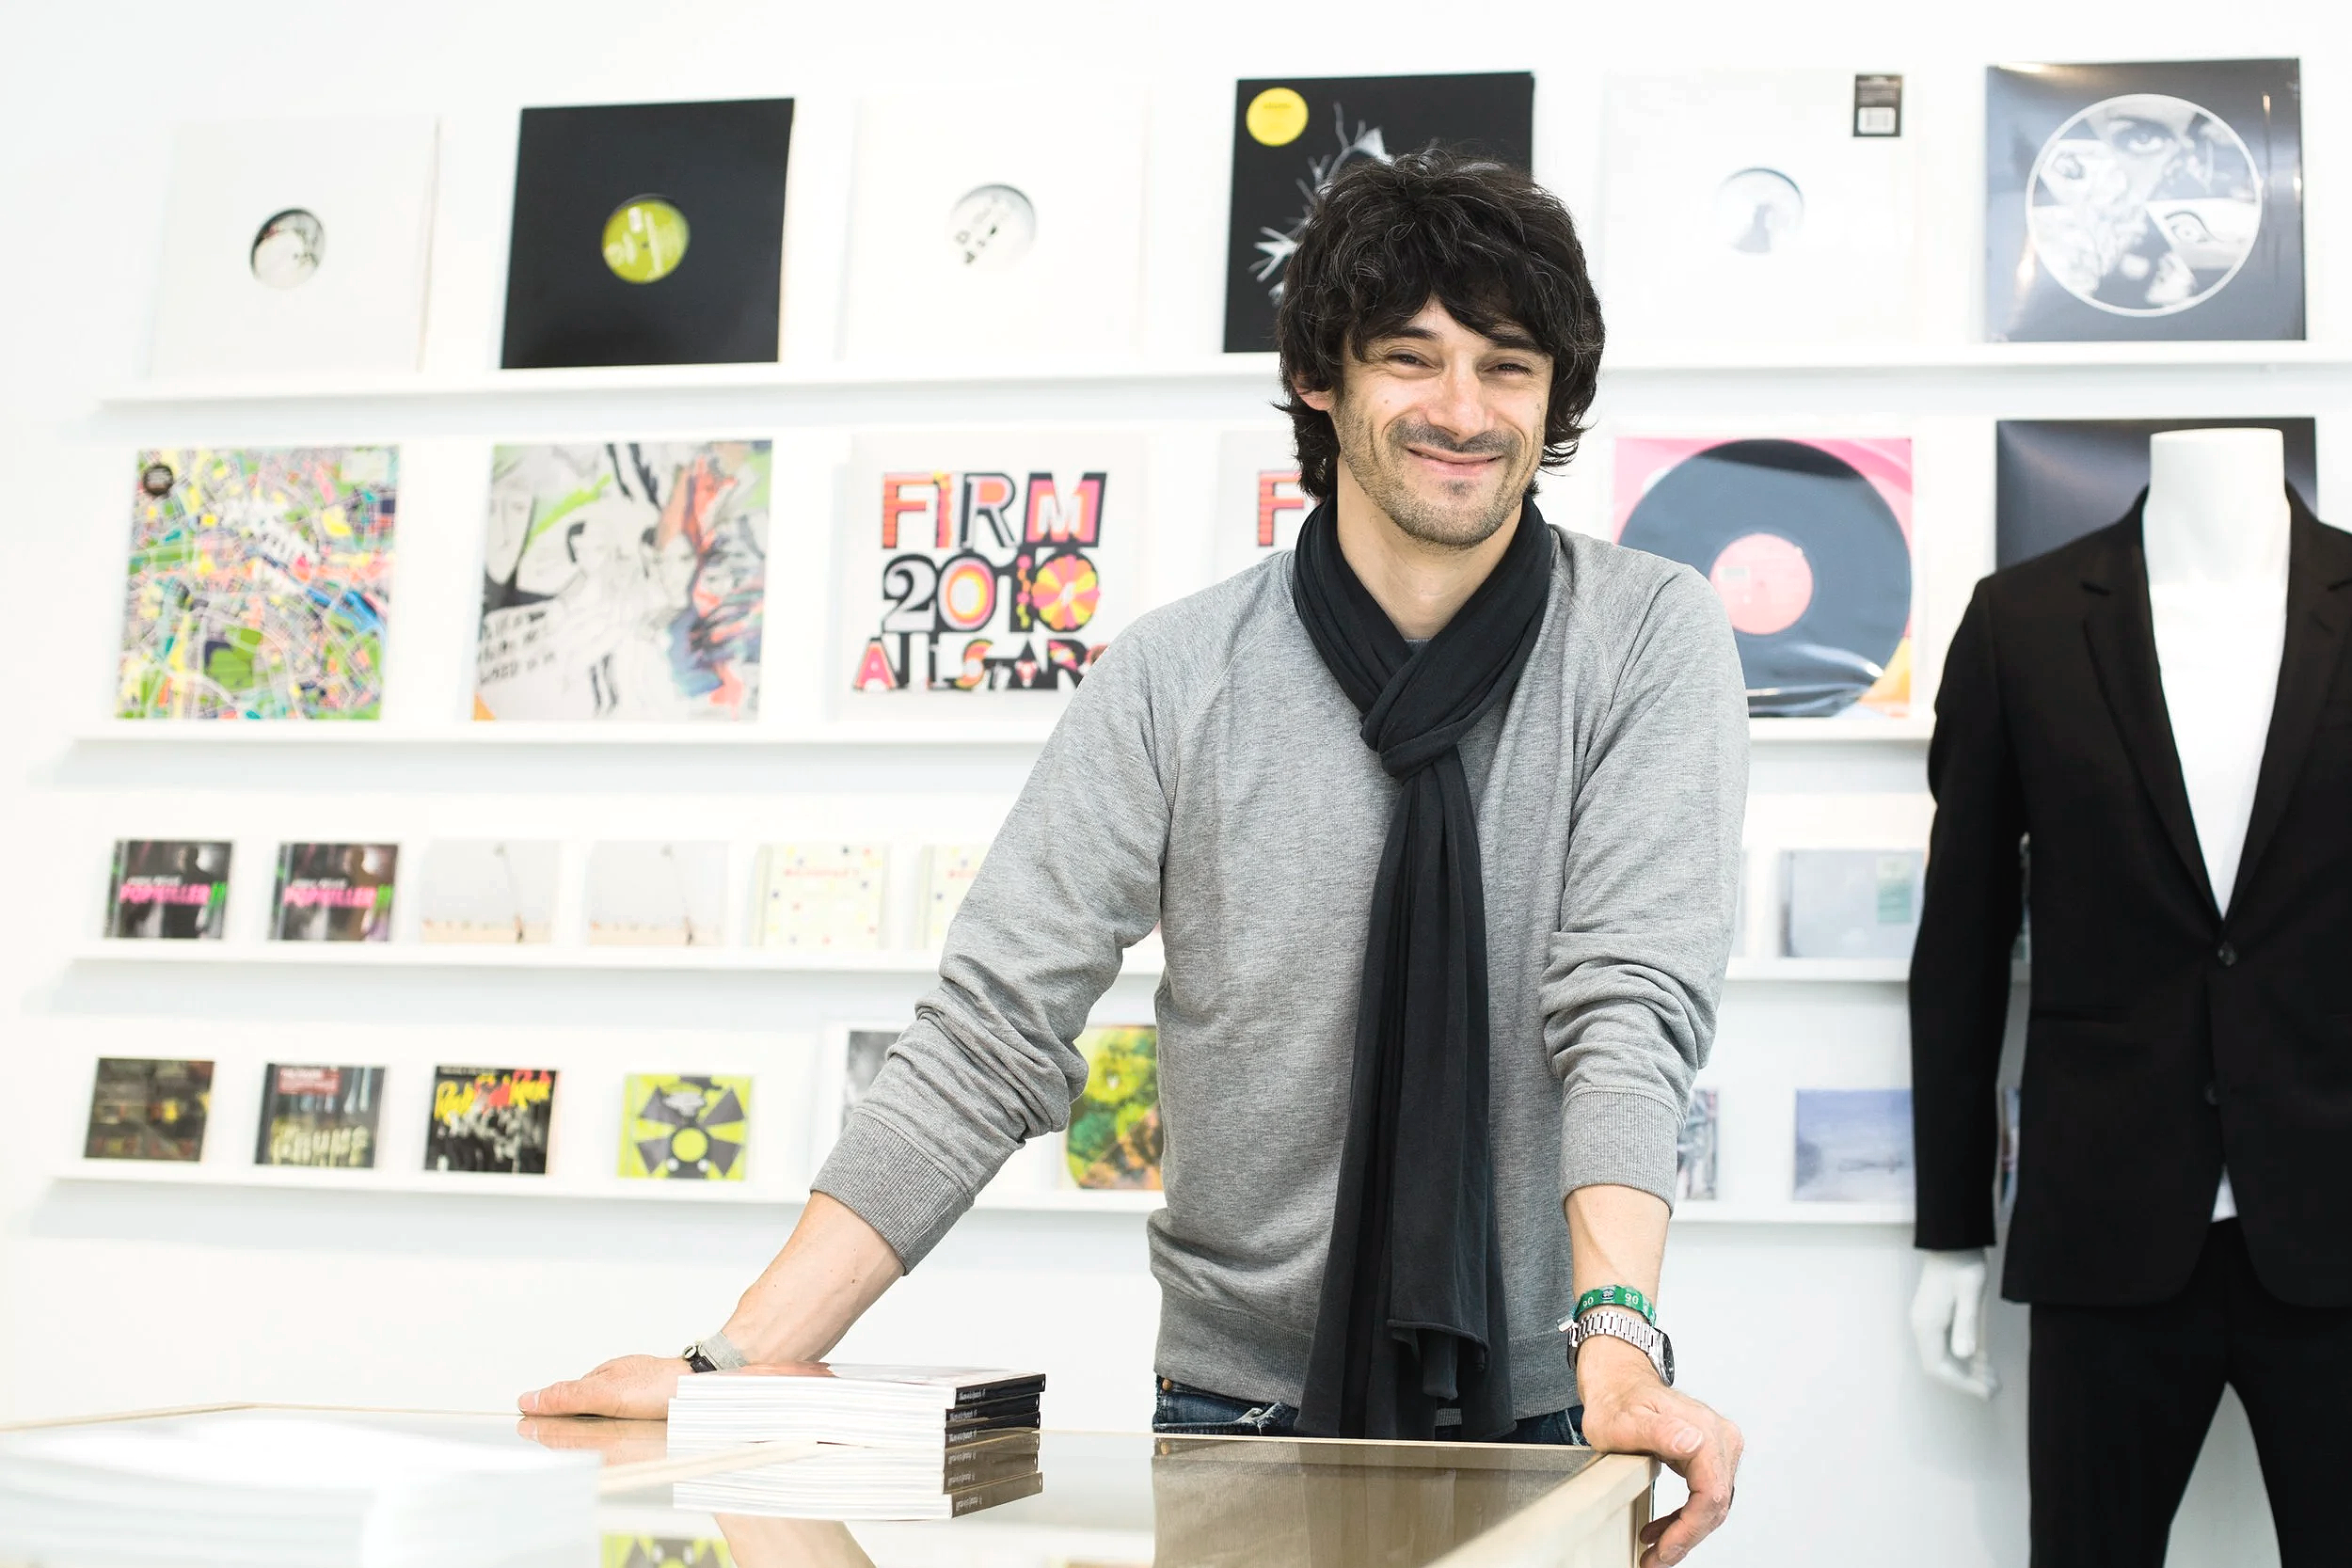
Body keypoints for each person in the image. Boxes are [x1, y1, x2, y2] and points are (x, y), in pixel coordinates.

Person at [524, 150, 1748, 1567]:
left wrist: (1619, 1345)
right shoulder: (1175, 675)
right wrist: (728, 1366)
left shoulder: (1647, 638)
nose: (1464, 411)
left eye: (1507, 365)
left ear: (1555, 396)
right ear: (1320, 380)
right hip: (1236, 1412)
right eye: (1412, 358)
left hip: (1563, 1406)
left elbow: (1626, 1007)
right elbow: (991, 1032)